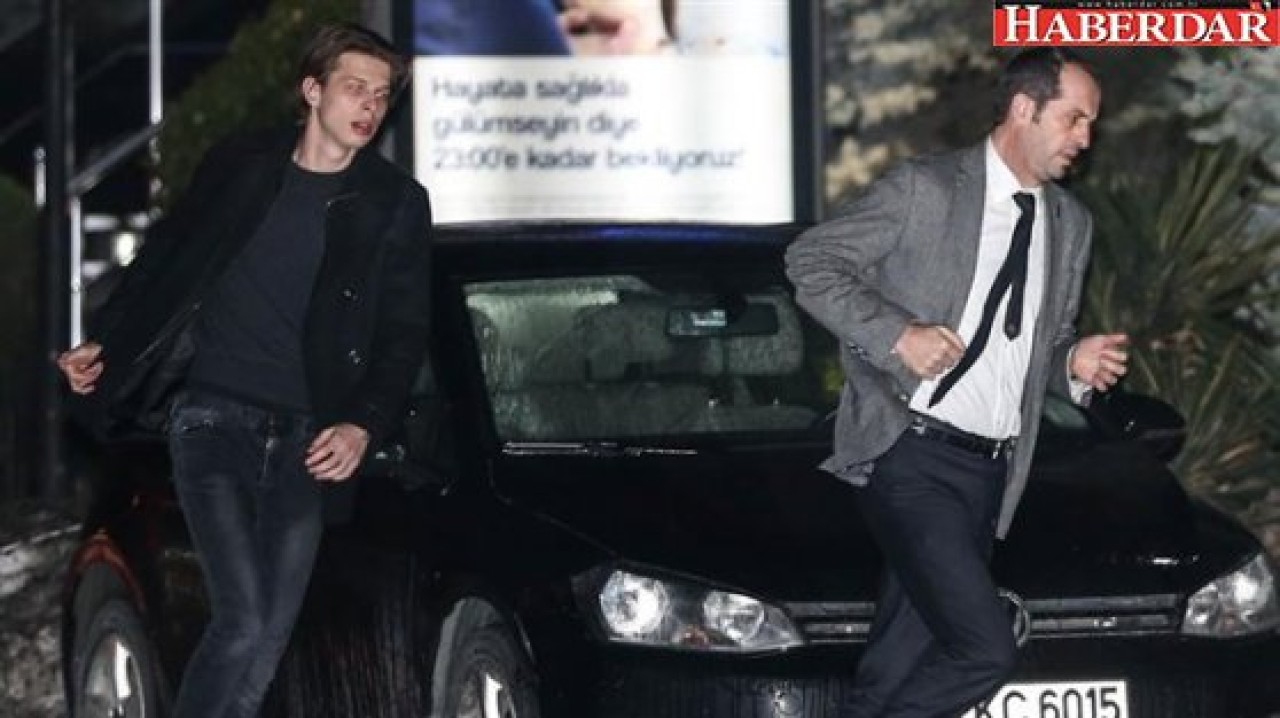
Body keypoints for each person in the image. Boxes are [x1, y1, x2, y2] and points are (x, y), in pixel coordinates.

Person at [56, 22, 431, 718]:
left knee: (265, 646)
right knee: (243, 618)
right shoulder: (243, 164)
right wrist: (102, 341)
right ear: (312, 90)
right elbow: (166, 260)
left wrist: (362, 424)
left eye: (381, 95)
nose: (370, 106)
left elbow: (404, 334)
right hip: (213, 421)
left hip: (308, 442)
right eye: (354, 87)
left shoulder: (394, 203)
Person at [785, 48, 1128, 717]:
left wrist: (1071, 364)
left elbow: (1041, 344)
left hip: (991, 474)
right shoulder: (927, 190)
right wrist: (897, 334)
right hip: (910, 456)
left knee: (895, 669)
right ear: (1024, 109)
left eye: (1091, 123)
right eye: (1074, 118)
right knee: (985, 650)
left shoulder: (1070, 224)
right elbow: (811, 261)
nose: (1086, 138)